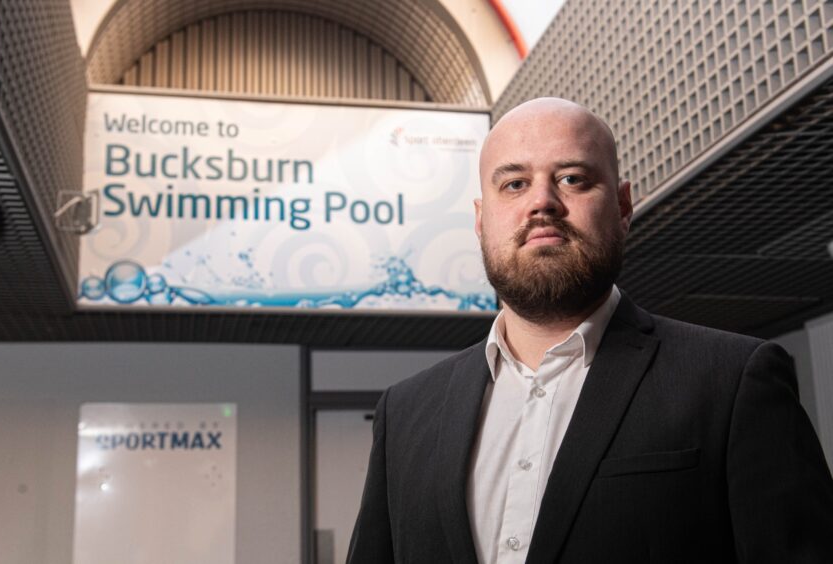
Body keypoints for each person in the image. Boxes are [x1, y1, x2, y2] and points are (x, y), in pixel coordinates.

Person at [346, 98, 833, 563]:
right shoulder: (406, 413)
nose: (543, 202)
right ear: (480, 220)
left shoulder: (733, 382)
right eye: (514, 184)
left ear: (623, 208)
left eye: (572, 178)